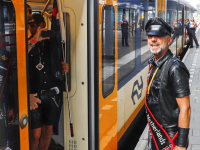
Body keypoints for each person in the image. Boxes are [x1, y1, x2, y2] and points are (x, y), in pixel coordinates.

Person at [145, 17, 191, 150]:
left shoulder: (175, 68)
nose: (153, 39)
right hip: (156, 133)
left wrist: (181, 145)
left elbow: (185, 108)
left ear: (169, 40)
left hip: (168, 139)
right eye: (150, 36)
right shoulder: (155, 63)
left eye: (159, 36)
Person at [28, 13, 69, 150]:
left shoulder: (53, 43)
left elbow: (60, 61)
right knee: (35, 135)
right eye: (32, 26)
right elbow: (18, 61)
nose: (36, 28)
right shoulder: (27, 44)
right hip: (35, 96)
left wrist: (63, 66)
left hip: (51, 94)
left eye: (38, 25)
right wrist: (34, 39)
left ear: (44, 25)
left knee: (48, 131)